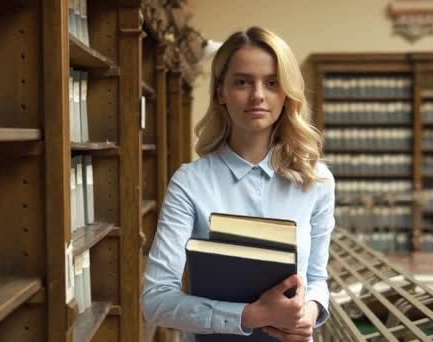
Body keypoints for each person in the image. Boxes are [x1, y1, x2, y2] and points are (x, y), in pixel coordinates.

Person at [141, 26, 335, 342]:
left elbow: (316, 279)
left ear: (286, 93)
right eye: (243, 82)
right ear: (221, 91)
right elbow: (156, 300)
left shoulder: (318, 181)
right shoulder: (190, 182)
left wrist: (307, 314)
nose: (258, 95)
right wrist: (252, 316)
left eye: (272, 83)